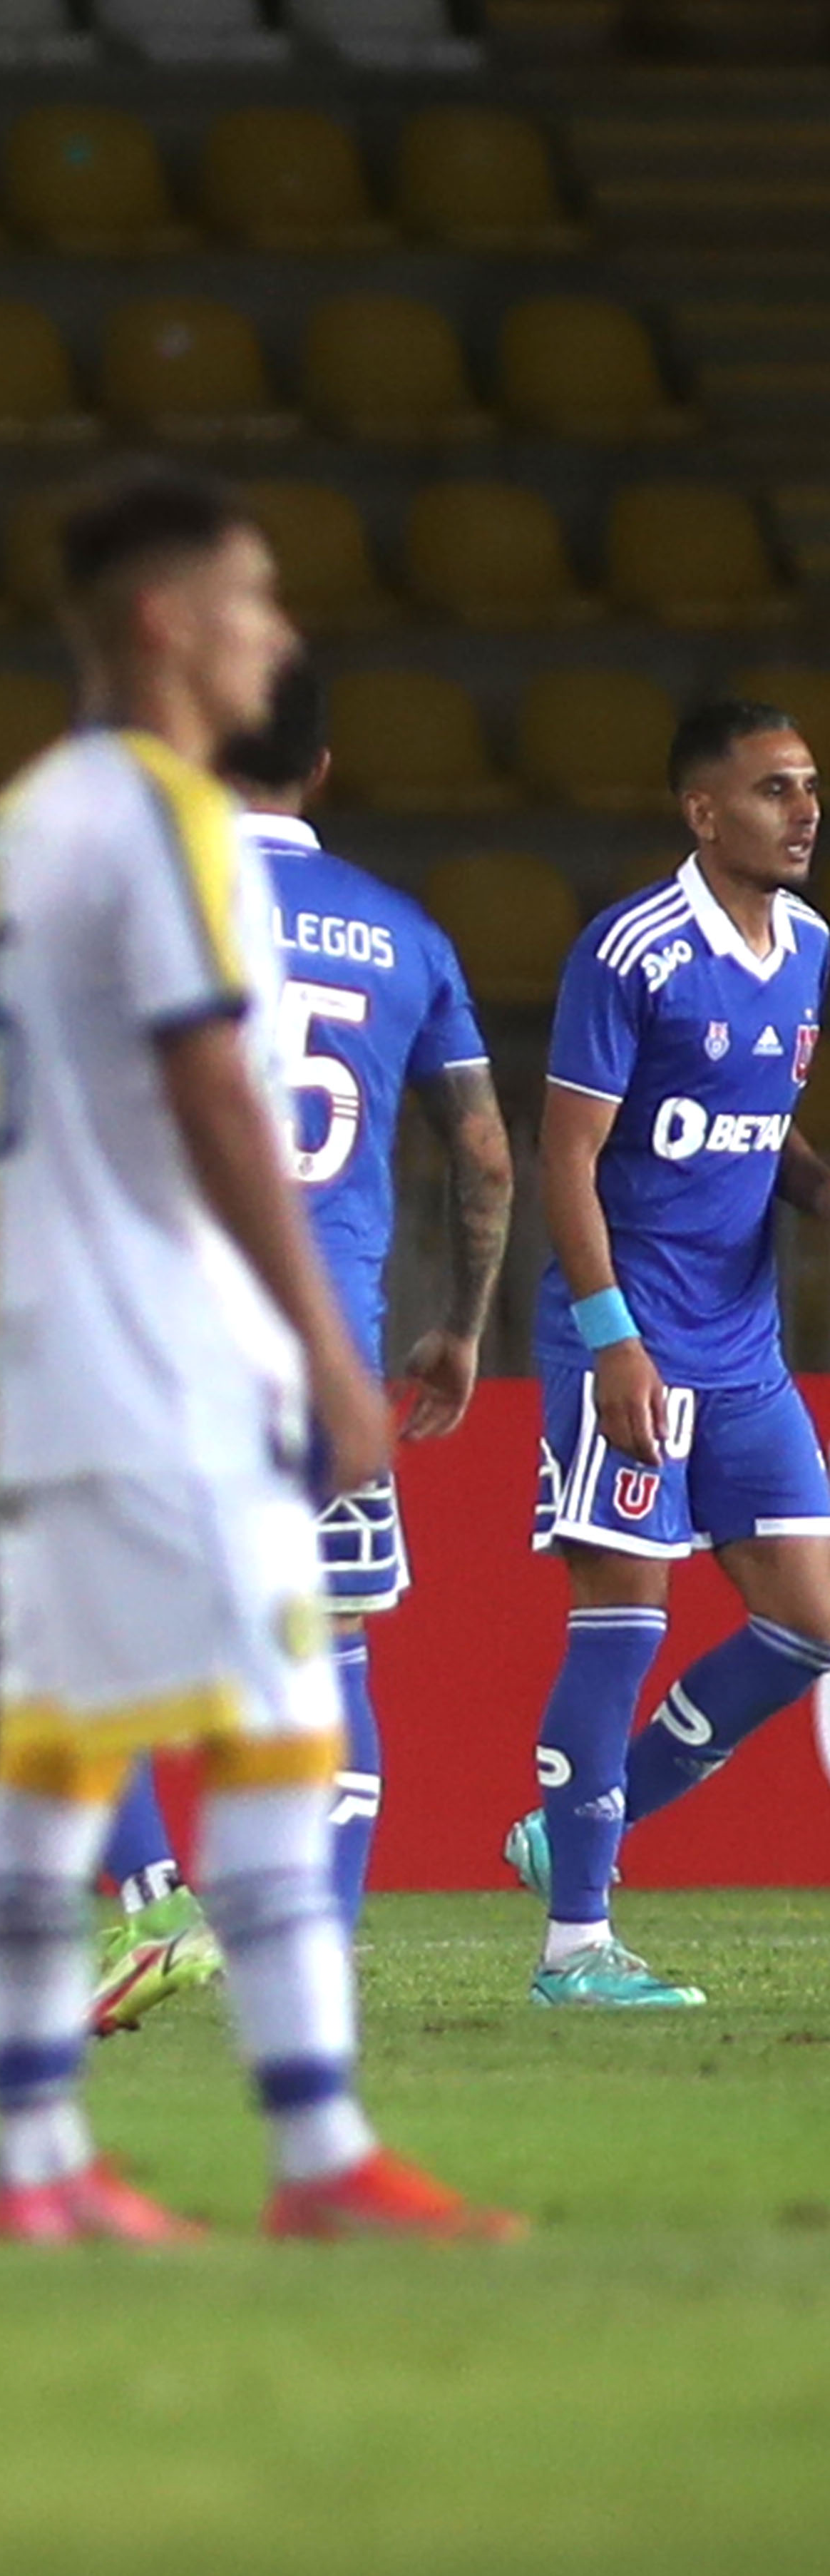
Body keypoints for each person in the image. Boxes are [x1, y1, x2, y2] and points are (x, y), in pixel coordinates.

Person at [0, 464, 509, 2244]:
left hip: (51, 1349)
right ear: (161, 622)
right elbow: (209, 1094)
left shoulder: (30, 819)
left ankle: (75, 2159)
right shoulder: (163, 829)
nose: (275, 634)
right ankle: (291, 2155)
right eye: (251, 601)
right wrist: (321, 1352)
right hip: (162, 1362)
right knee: (268, 1734)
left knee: (75, 1752)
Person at [83, 658, 516, 2034]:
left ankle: (159, 1907)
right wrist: (455, 1327)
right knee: (331, 1657)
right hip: (329, 1360)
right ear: (322, 770)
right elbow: (486, 1157)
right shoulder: (405, 935)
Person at [502, 699, 830, 2008]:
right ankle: (572, 1944)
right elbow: (564, 1162)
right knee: (619, 1624)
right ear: (704, 811)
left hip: (741, 1348)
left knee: (809, 1623)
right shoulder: (629, 950)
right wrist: (610, 1342)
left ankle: (580, 1824)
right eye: (773, 790)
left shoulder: (808, 946)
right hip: (625, 1340)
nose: (803, 811)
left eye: (808, 787)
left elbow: (760, 1138)